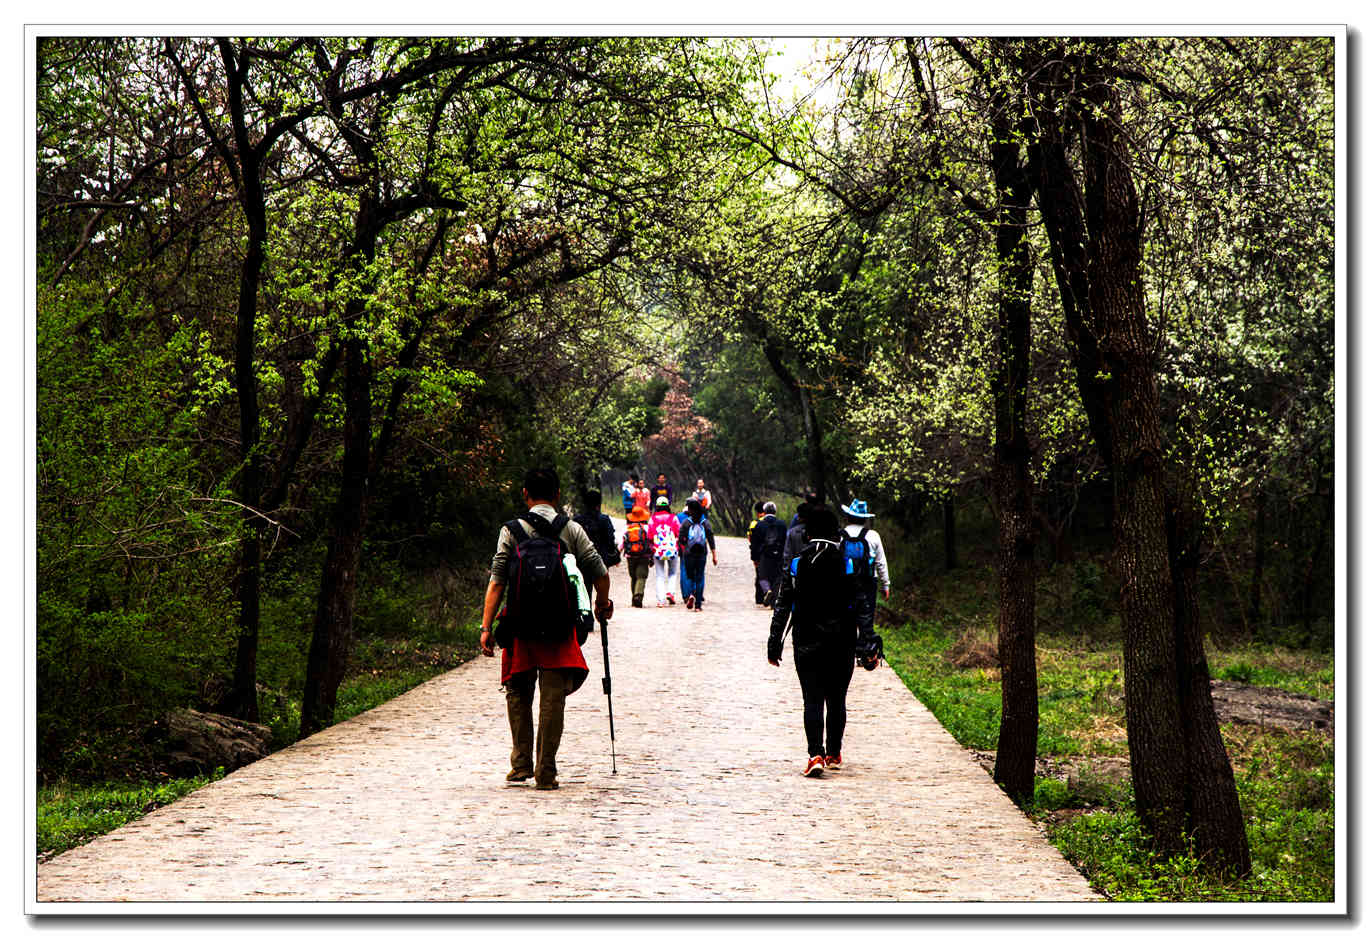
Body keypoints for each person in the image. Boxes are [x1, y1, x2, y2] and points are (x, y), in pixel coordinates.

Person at [479, 467, 613, 791]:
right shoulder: (572, 529)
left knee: (517, 691)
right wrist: (601, 604)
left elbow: (497, 581)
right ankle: (546, 771)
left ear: (525, 494)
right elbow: (600, 571)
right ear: (557, 495)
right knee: (553, 699)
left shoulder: (511, 531)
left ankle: (520, 763)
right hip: (558, 626)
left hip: (520, 623)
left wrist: (486, 627)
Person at [767, 506, 876, 777]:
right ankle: (834, 753)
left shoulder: (797, 564)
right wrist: (867, 640)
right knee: (837, 699)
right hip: (842, 642)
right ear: (836, 534)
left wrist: (774, 642)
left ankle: (815, 754)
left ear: (808, 534)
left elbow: (783, 605)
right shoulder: (847, 564)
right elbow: (861, 605)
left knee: (812, 698)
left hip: (806, 641)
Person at [840, 498, 891, 610]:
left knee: (846, 617)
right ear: (865, 519)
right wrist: (885, 585)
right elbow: (881, 562)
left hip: (844, 582)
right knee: (866, 616)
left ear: (848, 517)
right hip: (868, 582)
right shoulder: (873, 535)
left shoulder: (839, 536)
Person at [677, 498, 717, 611]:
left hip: (689, 554)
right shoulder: (705, 523)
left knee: (689, 576)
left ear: (690, 510)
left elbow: (681, 539)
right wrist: (714, 556)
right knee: (700, 577)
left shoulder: (686, 523)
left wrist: (685, 548)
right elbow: (711, 539)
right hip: (702, 553)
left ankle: (690, 594)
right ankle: (698, 605)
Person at [751, 501, 789, 608]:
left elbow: (754, 543)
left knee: (763, 576)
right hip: (779, 555)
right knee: (777, 578)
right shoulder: (782, 524)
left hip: (764, 555)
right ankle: (774, 601)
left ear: (764, 511)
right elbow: (786, 540)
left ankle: (767, 590)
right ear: (775, 511)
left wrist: (754, 558)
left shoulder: (759, 525)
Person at [574, 489, 620, 573]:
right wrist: (613, 554)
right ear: (599, 503)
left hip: (583, 559)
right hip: (602, 558)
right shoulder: (604, 519)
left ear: (584, 503)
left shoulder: (577, 520)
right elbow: (610, 539)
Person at [648, 495, 681, 607]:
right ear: (667, 506)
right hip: (672, 550)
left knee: (660, 575)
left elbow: (649, 536)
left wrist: (651, 549)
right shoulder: (673, 518)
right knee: (672, 573)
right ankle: (670, 593)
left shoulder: (652, 519)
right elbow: (678, 533)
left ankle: (661, 600)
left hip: (658, 550)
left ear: (656, 506)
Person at [621, 504, 654, 607]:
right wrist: (652, 555)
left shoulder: (627, 528)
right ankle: (638, 596)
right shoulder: (646, 528)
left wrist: (618, 554)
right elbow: (651, 542)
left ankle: (633, 598)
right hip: (643, 556)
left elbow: (622, 543)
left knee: (633, 577)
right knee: (641, 576)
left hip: (630, 556)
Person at [746, 500, 767, 605]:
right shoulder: (770, 522)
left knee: (759, 574)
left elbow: (750, 538)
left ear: (757, 512)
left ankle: (760, 597)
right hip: (771, 553)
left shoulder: (754, 523)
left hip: (758, 553)